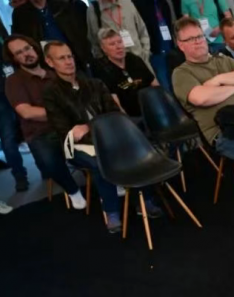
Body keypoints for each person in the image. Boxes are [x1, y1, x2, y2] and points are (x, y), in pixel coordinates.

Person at [42, 41, 162, 232]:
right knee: (100, 162)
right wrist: (99, 130)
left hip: (108, 136)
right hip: (77, 145)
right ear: (50, 62)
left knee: (135, 147)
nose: (68, 61)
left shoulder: (94, 84)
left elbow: (114, 114)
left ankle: (144, 199)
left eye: (69, 56)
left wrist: (90, 126)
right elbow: (65, 131)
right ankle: (112, 211)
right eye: (61, 58)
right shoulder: (51, 93)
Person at [172, 17, 234, 177]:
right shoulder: (182, 73)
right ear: (181, 45)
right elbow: (200, 98)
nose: (197, 41)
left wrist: (219, 80)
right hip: (225, 132)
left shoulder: (222, 60)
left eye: (199, 36)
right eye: (190, 39)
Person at [4, 34, 87, 208]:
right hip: (41, 133)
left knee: (98, 142)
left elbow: (78, 99)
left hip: (69, 127)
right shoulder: (14, 81)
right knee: (49, 159)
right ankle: (73, 191)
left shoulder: (54, 73)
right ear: (14, 59)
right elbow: (26, 112)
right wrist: (63, 113)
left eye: (27, 48)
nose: (26, 54)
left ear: (35, 48)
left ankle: (102, 180)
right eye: (19, 53)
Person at [92, 28, 157, 118]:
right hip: (132, 117)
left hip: (153, 108)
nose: (118, 47)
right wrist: (128, 121)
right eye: (112, 44)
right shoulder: (103, 70)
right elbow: (116, 103)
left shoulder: (135, 59)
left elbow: (155, 84)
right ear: (104, 49)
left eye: (120, 42)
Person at [11, 0, 91, 68]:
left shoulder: (65, 5)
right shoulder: (20, 14)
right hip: (47, 67)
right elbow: (21, 42)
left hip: (77, 61)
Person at [0, 35, 28, 192]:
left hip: (3, 89)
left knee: (8, 137)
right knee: (22, 129)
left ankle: (20, 176)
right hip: (3, 89)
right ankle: (26, 174)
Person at [87, 0, 152, 67]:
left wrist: (145, 53)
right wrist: (106, 65)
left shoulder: (127, 3)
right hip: (117, 66)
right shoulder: (94, 10)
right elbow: (94, 42)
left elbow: (142, 30)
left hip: (141, 59)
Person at [132, 0, 176, 90]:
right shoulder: (139, 4)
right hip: (155, 51)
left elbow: (172, 22)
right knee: (164, 82)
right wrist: (147, 49)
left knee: (175, 78)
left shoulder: (164, 3)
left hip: (169, 47)